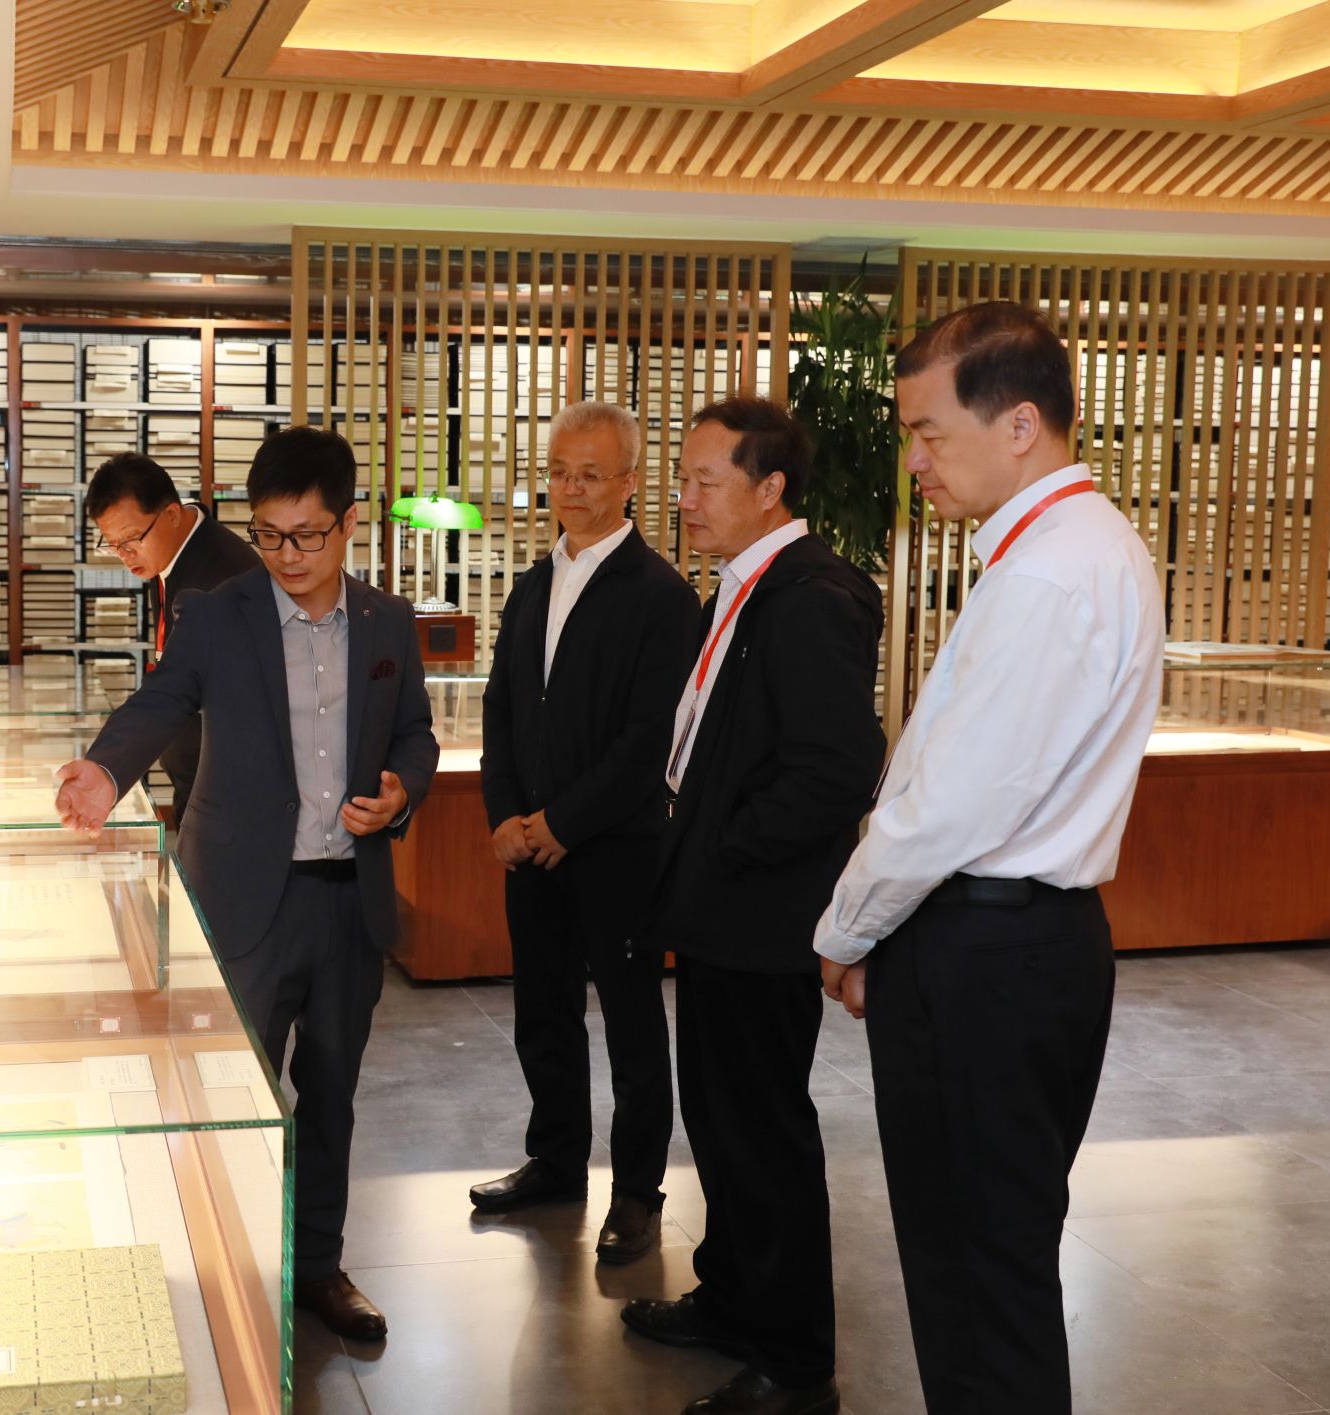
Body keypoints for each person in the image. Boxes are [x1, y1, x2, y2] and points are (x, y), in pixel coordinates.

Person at [814, 301, 1164, 1415]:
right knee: (977, 1261)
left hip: (987, 949)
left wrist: (844, 929)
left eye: (929, 432)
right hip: (1005, 942)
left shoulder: (1053, 572)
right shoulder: (1070, 549)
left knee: (977, 1270)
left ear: (1019, 425)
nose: (913, 460)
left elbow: (951, 806)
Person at [55, 426, 438, 1343]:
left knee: (331, 1096)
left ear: (349, 522)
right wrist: (106, 769)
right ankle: (234, 1267)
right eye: (269, 535)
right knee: (232, 1093)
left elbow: (415, 732)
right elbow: (163, 698)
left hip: (347, 901)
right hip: (244, 902)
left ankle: (318, 1266)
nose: (287, 555)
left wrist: (402, 792)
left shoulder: (386, 622)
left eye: (307, 535)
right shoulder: (218, 613)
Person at [622, 397, 884, 1415]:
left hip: (759, 914)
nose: (683, 500)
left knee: (763, 1136)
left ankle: (794, 1362)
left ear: (770, 488)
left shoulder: (811, 596)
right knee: (720, 1123)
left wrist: (726, 848)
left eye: (704, 482)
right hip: (717, 907)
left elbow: (835, 767)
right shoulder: (742, 586)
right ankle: (732, 1297)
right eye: (681, 480)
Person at [468, 401, 700, 1263]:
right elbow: (501, 706)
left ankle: (637, 1191)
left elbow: (650, 738)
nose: (570, 487)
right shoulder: (534, 583)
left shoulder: (663, 596)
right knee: (543, 1011)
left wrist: (563, 821)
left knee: (633, 1024)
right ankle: (557, 1160)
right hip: (529, 848)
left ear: (631, 481)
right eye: (560, 471)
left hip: (618, 848)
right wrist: (504, 815)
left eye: (591, 473)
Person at [84, 452, 262, 827]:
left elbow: (176, 690)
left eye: (131, 539)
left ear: (171, 515)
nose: (124, 555)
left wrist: (107, 769)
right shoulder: (171, 554)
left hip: (229, 796)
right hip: (199, 783)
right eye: (113, 544)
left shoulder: (220, 579)